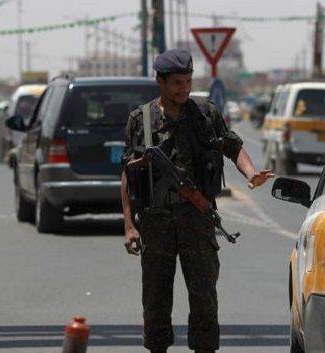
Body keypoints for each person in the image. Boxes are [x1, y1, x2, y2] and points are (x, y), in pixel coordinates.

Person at [120, 48, 274, 353]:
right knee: (155, 299)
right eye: (177, 83)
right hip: (156, 221)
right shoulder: (141, 120)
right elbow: (127, 174)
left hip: (198, 219)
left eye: (188, 81)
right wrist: (129, 225)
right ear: (160, 81)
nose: (184, 89)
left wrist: (251, 172)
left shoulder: (206, 114)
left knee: (204, 297)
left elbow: (233, 146)